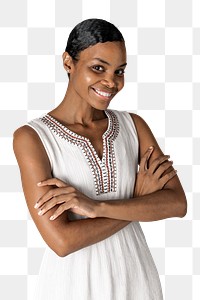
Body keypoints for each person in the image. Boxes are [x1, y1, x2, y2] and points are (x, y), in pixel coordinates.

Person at [13, 18, 187, 300]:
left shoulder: (134, 126)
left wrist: (95, 207)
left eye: (120, 71)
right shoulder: (33, 138)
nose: (111, 81)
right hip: (72, 285)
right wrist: (136, 199)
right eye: (98, 68)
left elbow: (178, 204)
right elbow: (62, 241)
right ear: (68, 62)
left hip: (137, 279)